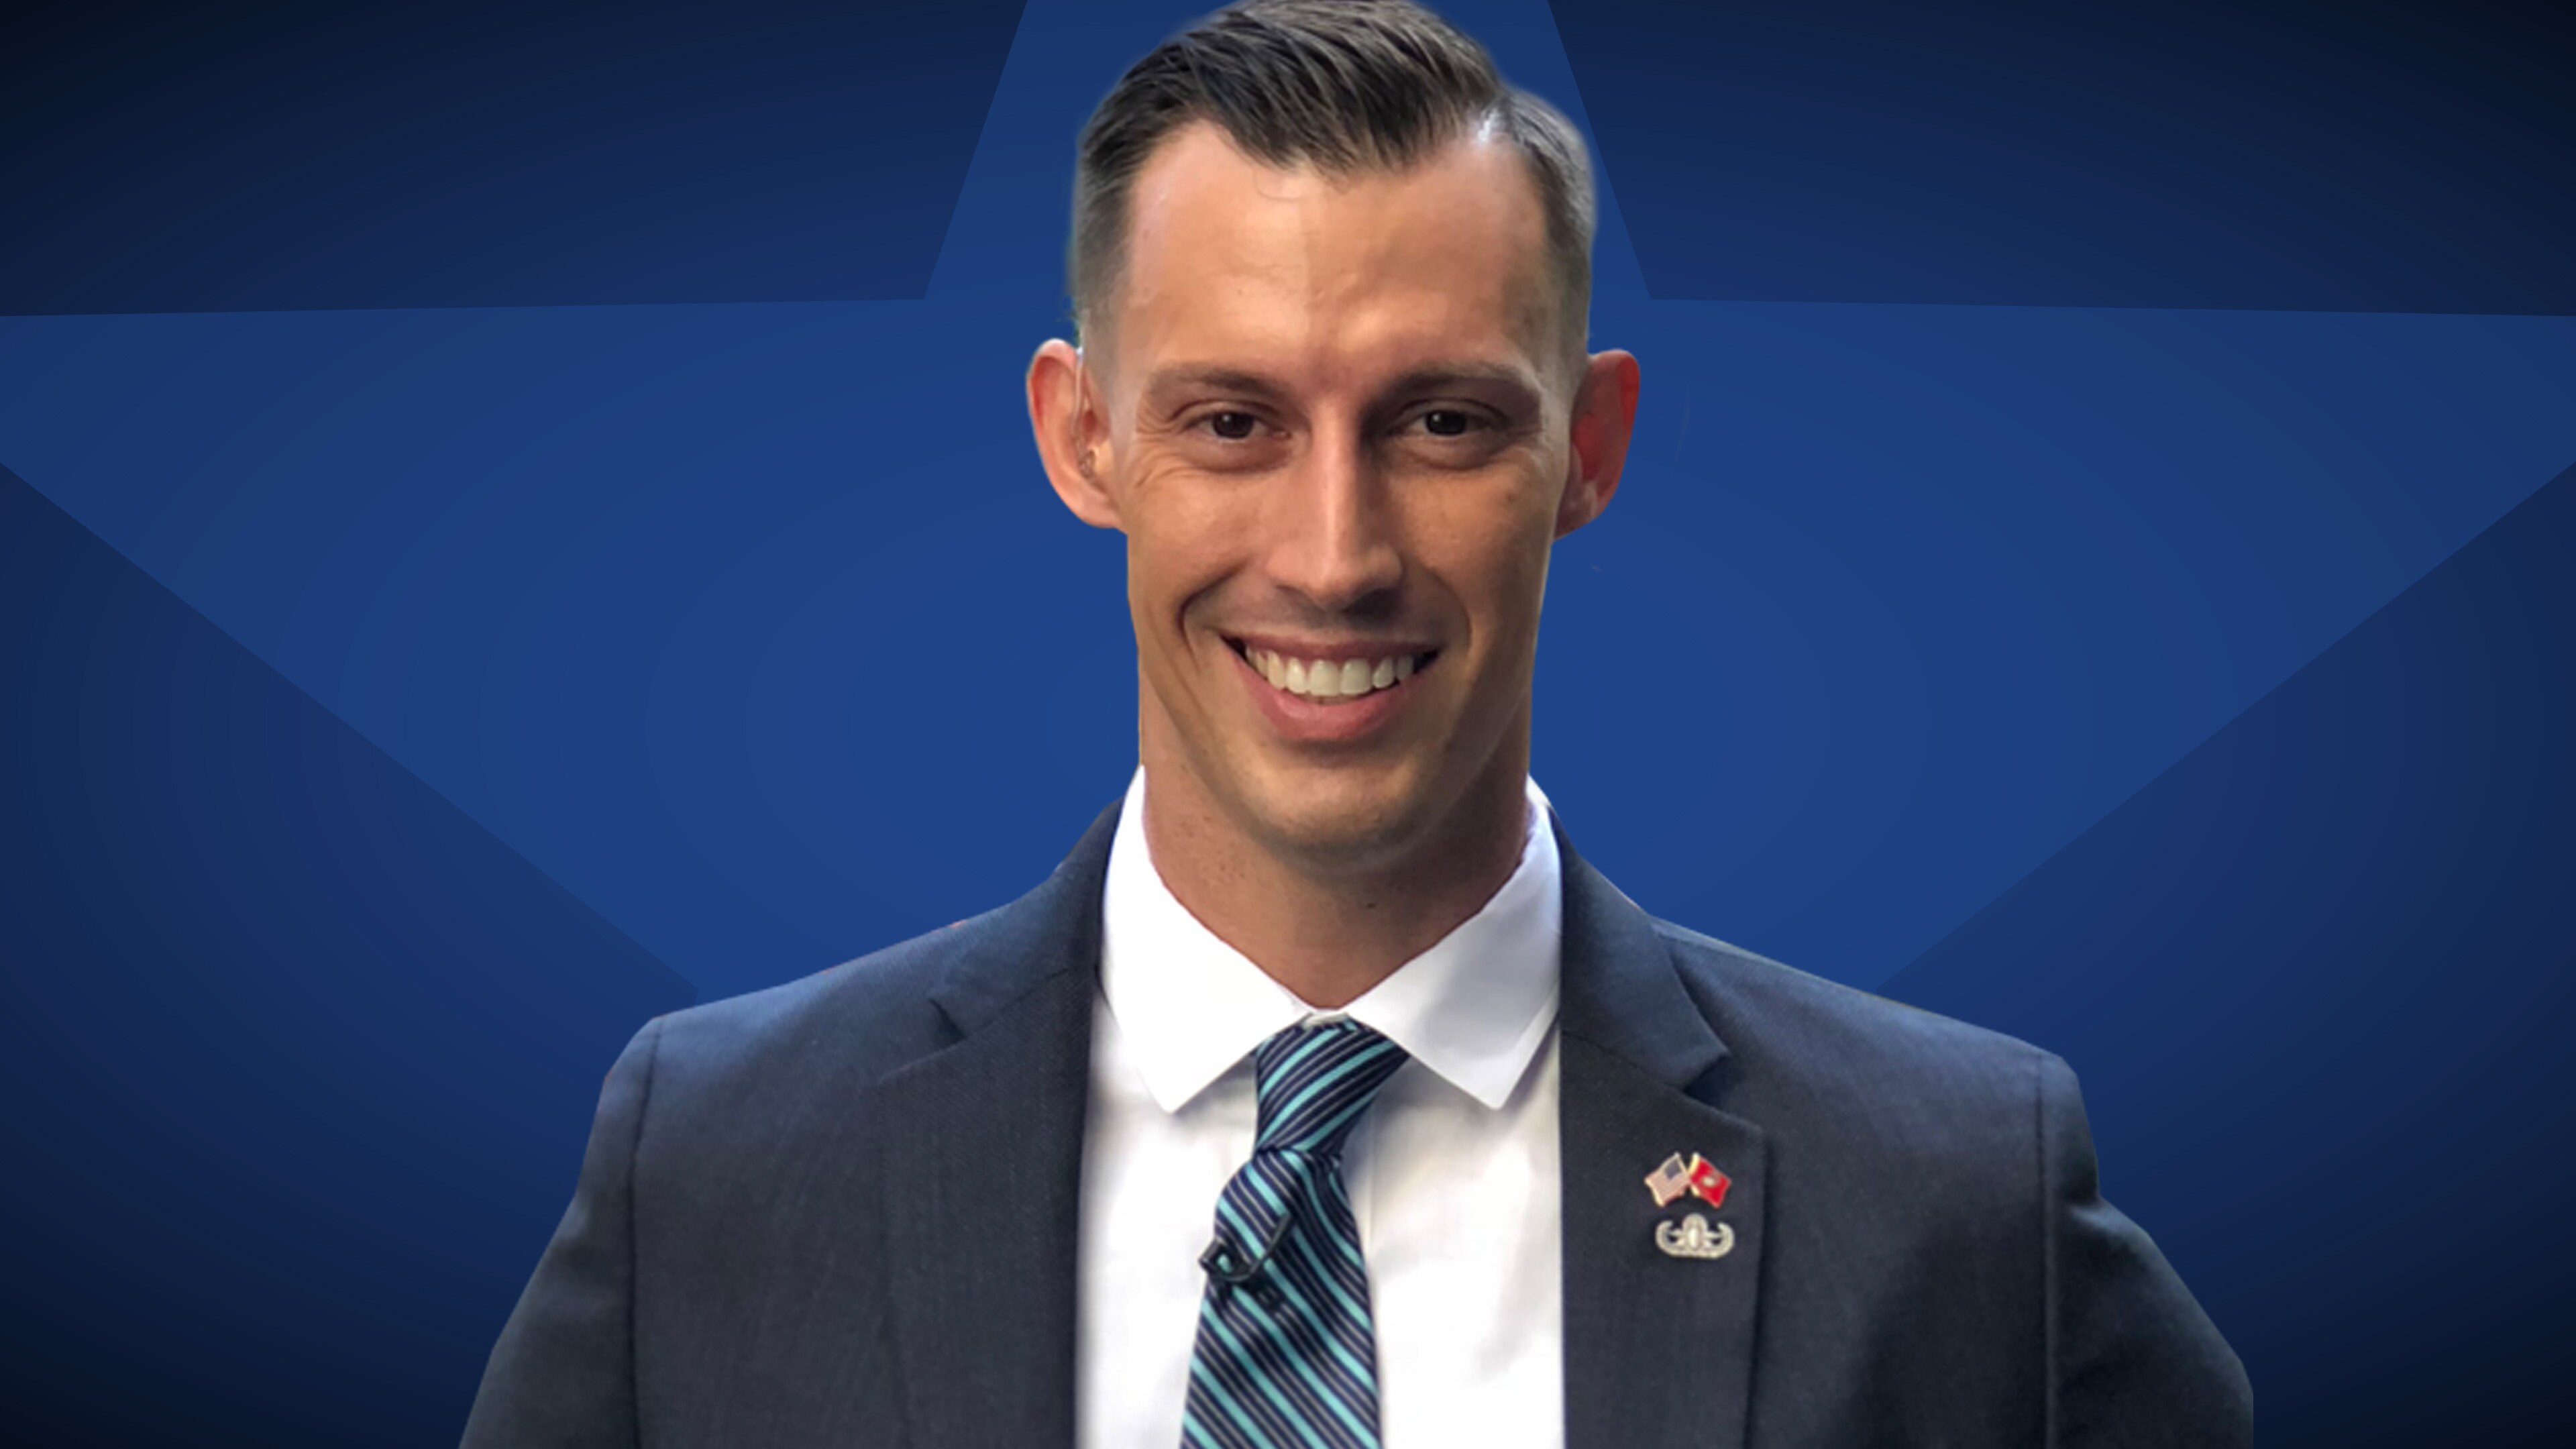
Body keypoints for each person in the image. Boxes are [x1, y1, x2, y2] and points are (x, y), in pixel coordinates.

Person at [462, 3, 2251, 1444]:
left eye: (1444, 424)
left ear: (1588, 450)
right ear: (1084, 438)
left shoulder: (1958, 1201)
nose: (1334, 557)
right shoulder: (716, 1168)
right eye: (1233, 422)